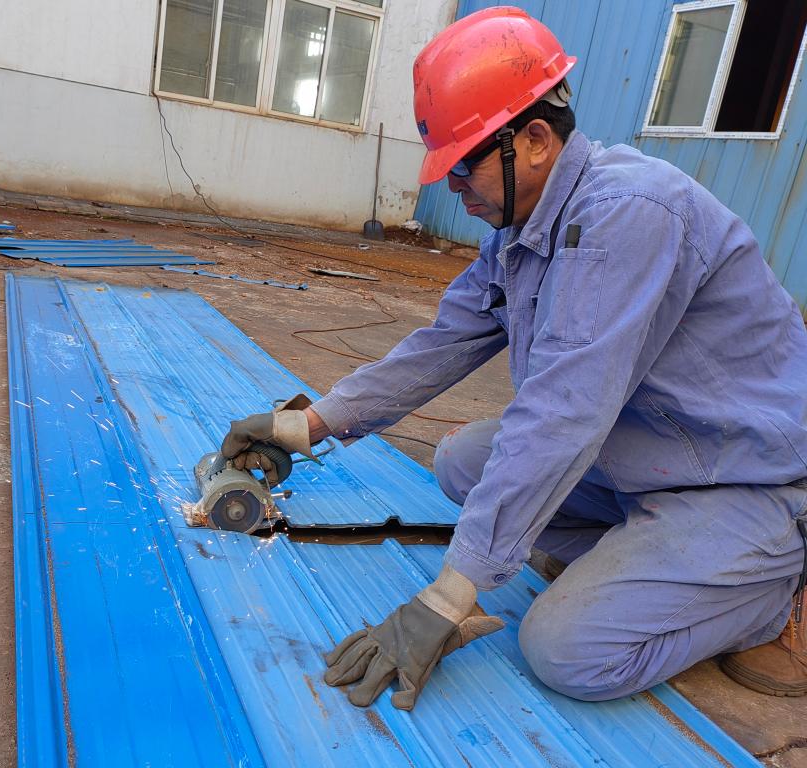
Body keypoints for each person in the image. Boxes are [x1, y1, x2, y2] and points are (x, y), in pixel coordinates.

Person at [220, 6, 807, 708]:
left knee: (567, 651)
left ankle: (770, 593)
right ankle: (655, 565)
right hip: (655, 456)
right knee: (460, 461)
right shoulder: (520, 231)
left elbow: (565, 412)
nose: (451, 186)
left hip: (743, 478)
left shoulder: (631, 212)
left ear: (532, 141)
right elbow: (442, 343)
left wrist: (446, 599)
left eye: (462, 165)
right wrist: (307, 424)